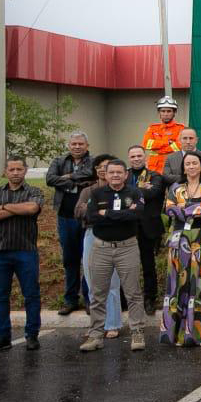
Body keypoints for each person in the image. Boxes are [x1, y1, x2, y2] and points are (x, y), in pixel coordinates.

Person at [80, 159, 147, 353]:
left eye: (119, 172)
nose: (115, 175)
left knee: (133, 293)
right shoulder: (96, 193)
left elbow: (137, 215)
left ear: (126, 175)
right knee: (98, 293)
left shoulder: (135, 193)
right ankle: (96, 335)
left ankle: (137, 332)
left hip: (127, 247)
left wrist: (106, 213)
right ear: (105, 174)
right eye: (112, 172)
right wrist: (122, 214)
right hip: (101, 248)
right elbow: (91, 217)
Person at [0, 156, 45, 352]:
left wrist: (3, 207)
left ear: (25, 170)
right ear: (6, 171)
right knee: (0, 296)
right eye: (12, 169)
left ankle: (32, 335)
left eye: (19, 169)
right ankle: (2, 337)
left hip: (26, 251)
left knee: (31, 295)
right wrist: (18, 209)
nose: (16, 172)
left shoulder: (34, 191)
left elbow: (32, 208)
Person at [161, 151, 201, 346]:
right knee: (178, 284)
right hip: (179, 241)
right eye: (187, 164)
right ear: (183, 168)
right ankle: (177, 334)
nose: (191, 166)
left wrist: (183, 210)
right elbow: (168, 209)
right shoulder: (176, 188)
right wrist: (190, 210)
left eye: (195, 163)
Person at [45, 131, 95, 314]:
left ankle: (89, 299)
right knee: (70, 259)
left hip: (87, 219)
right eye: (74, 144)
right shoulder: (59, 161)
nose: (77, 147)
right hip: (65, 217)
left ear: (87, 146)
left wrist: (68, 177)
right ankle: (70, 300)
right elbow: (50, 179)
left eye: (81, 144)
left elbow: (91, 174)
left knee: (88, 260)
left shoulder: (93, 161)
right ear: (69, 145)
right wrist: (74, 182)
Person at [77, 155, 123, 340]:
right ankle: (97, 325)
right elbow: (79, 212)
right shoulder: (88, 191)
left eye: (108, 167)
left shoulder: (121, 191)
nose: (104, 170)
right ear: (96, 170)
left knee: (112, 282)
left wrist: (94, 210)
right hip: (92, 234)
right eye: (101, 167)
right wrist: (103, 212)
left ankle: (112, 324)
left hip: (114, 235)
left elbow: (124, 214)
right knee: (92, 282)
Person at [126, 146, 166, 314]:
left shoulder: (155, 176)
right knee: (127, 267)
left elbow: (153, 193)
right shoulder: (124, 175)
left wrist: (129, 192)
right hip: (127, 227)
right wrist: (142, 189)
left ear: (145, 157)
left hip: (148, 228)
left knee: (148, 265)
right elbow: (118, 193)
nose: (136, 159)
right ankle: (127, 299)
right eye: (133, 156)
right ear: (129, 158)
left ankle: (150, 298)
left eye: (139, 155)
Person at [142, 96, 185, 174]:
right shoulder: (152, 128)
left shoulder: (181, 128)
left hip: (173, 168)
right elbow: (146, 144)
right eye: (163, 111)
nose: (166, 114)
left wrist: (157, 148)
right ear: (159, 112)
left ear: (174, 112)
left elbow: (179, 147)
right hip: (154, 168)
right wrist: (168, 143)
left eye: (169, 111)